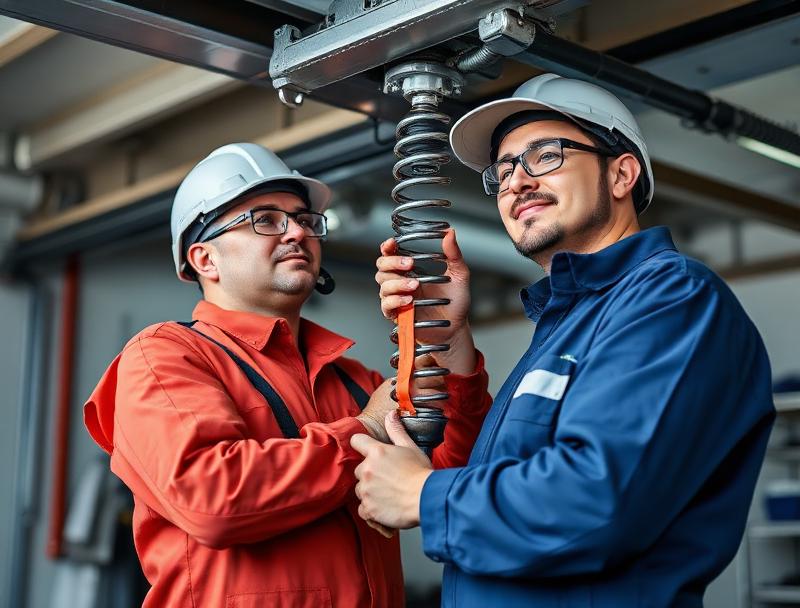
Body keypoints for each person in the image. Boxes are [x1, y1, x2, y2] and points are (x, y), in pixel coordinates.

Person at [352, 74, 776, 607]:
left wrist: (422, 494)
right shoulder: (571, 320)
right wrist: (449, 333)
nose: (516, 182)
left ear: (622, 174)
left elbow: (599, 502)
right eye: (503, 170)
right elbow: (512, 477)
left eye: (546, 154)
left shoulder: (672, 299)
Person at [83, 143, 490, 607]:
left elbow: (458, 479)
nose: (297, 231)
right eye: (266, 220)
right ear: (204, 260)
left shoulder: (355, 380)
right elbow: (212, 500)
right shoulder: (166, 356)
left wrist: (450, 336)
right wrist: (367, 429)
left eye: (304, 219)